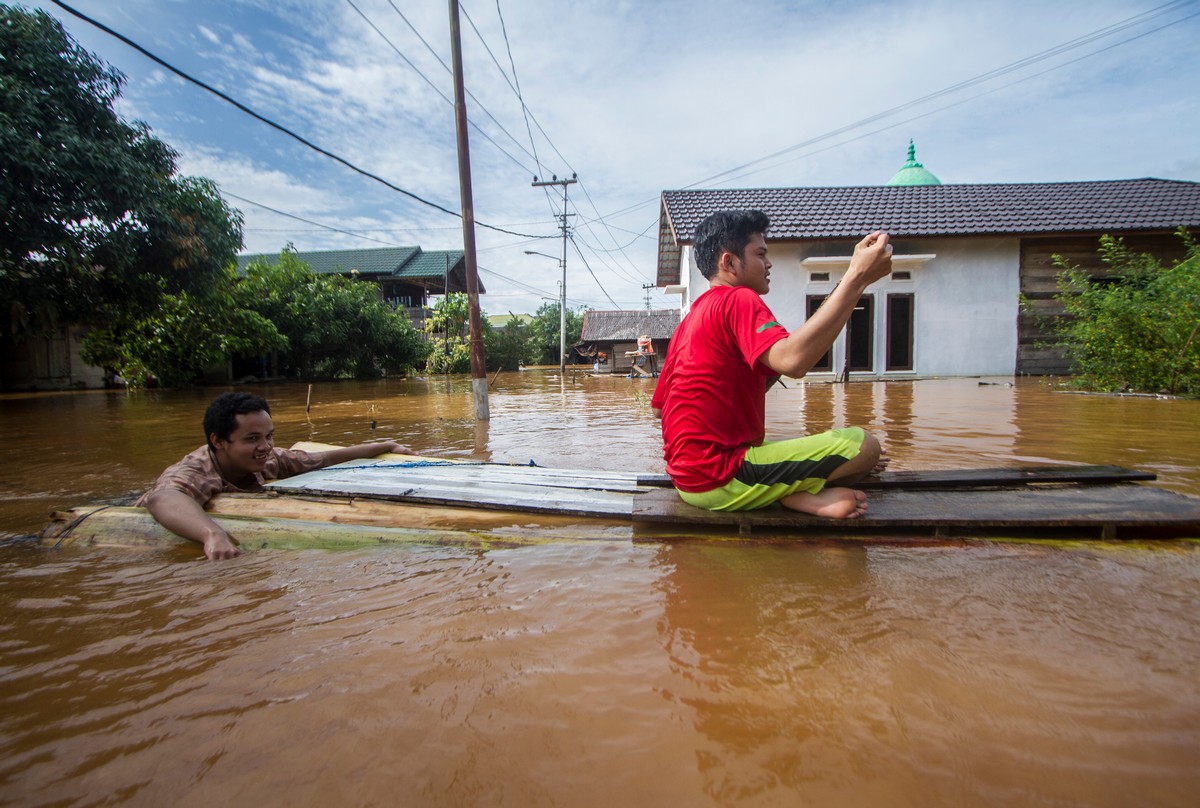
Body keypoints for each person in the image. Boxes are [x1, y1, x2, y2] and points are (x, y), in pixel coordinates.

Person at [650, 209, 893, 520]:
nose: (769, 264)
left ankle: (795, 490)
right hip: (721, 478)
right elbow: (794, 360)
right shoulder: (738, 299)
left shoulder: (688, 322)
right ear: (729, 262)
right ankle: (793, 495)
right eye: (760, 254)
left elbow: (659, 409)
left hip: (686, 480)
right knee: (864, 446)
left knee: (832, 450)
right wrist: (856, 276)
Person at [137, 391, 409, 560]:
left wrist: (385, 446)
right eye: (253, 439)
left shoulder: (267, 458)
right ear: (219, 441)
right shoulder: (197, 468)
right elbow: (164, 496)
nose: (265, 447)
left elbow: (320, 459)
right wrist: (212, 534)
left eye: (269, 436)